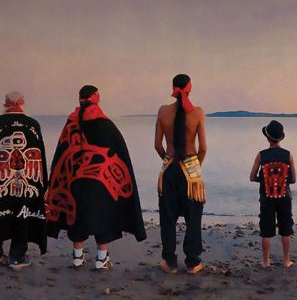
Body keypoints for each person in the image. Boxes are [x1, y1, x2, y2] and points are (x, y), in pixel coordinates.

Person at [44, 85, 147, 270]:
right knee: (103, 218)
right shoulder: (106, 125)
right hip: (100, 184)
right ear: (96, 98)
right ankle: (101, 259)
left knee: (76, 217)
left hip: (74, 182)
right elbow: (120, 154)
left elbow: (61, 153)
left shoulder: (71, 124)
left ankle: (77, 258)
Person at [0, 91, 48, 270]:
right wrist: (43, 183)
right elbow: (41, 158)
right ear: (22, 103)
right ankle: (17, 256)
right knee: (22, 213)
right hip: (26, 182)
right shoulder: (33, 125)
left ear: (5, 104)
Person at [155, 74, 208, 274]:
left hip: (169, 169)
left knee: (167, 217)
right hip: (191, 170)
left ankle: (169, 262)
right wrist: (195, 165)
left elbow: (157, 145)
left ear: (173, 88)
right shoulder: (198, 113)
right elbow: (202, 147)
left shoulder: (162, 111)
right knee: (193, 218)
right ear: (189, 87)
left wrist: (167, 160)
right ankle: (193, 262)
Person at [250, 120, 296, 268]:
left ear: (267, 137)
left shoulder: (261, 155)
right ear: (280, 137)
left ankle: (265, 261)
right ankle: (286, 260)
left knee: (266, 229)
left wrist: (264, 180)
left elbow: (252, 177)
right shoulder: (288, 155)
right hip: (284, 196)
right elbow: (293, 179)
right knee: (286, 228)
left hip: (266, 197)